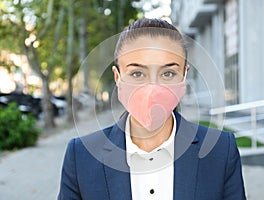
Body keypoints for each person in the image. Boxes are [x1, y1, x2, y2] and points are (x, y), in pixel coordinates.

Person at [58, 18, 246, 200]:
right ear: (118, 77)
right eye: (137, 73)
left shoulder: (221, 150)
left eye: (168, 73)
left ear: (184, 75)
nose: (152, 88)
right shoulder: (81, 156)